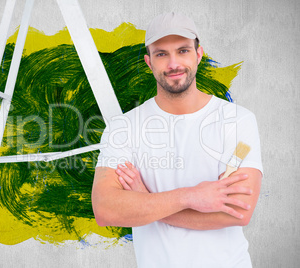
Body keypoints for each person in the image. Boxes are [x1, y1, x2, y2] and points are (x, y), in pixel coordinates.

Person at [91, 12, 263, 267]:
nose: (173, 63)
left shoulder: (237, 120)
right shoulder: (123, 127)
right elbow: (106, 210)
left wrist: (146, 200)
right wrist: (190, 196)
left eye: (183, 51)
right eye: (162, 54)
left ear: (199, 55)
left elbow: (239, 211)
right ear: (149, 62)